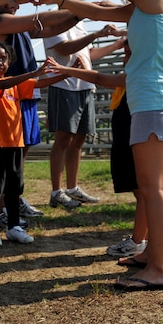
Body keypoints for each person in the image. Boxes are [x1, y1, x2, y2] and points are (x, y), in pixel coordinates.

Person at [30, 0, 163, 291]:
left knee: (153, 189)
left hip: (155, 103)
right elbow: (91, 6)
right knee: (149, 189)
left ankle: (160, 268)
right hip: (151, 102)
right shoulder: (141, 7)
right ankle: (151, 257)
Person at [43, 42, 148, 262]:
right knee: (144, 194)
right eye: (125, 52)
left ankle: (139, 242)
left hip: (135, 140)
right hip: (129, 138)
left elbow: (100, 79)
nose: (124, 56)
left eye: (130, 52)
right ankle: (143, 240)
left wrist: (67, 70)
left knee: (145, 193)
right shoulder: (134, 74)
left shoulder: (139, 75)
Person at [0, 0, 80, 218]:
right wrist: (74, 5)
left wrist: (80, 15)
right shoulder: (1, 21)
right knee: (10, 155)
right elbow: (44, 20)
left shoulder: (21, 26)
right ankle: (1, 208)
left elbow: (52, 29)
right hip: (10, 98)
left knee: (20, 153)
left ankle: (12, 200)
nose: (13, 0)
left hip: (25, 94)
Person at [0, 42, 61, 246]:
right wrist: (36, 71)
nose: (0, 61)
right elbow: (4, 84)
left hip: (15, 143)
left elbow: (39, 84)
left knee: (14, 187)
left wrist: (70, 72)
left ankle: (14, 227)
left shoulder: (14, 84)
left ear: (10, 62)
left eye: (4, 58)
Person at [43, 13, 126, 209]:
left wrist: (116, 45)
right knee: (63, 139)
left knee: (79, 139)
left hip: (85, 86)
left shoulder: (80, 26)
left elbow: (90, 54)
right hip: (64, 85)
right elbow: (66, 48)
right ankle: (56, 191)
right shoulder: (54, 23)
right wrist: (96, 34)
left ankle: (72, 188)